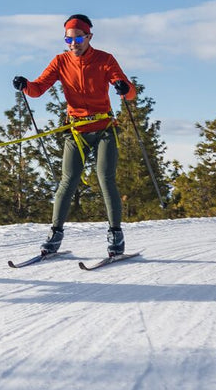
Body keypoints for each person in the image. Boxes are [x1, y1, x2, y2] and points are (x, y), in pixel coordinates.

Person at [13, 14, 136, 257]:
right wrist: (25, 84)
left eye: (78, 38)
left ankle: (115, 235)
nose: (73, 44)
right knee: (67, 181)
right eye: (68, 39)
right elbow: (37, 89)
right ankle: (55, 235)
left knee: (105, 178)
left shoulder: (104, 59)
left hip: (103, 129)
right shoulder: (60, 61)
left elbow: (129, 92)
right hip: (76, 131)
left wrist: (124, 88)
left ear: (89, 37)